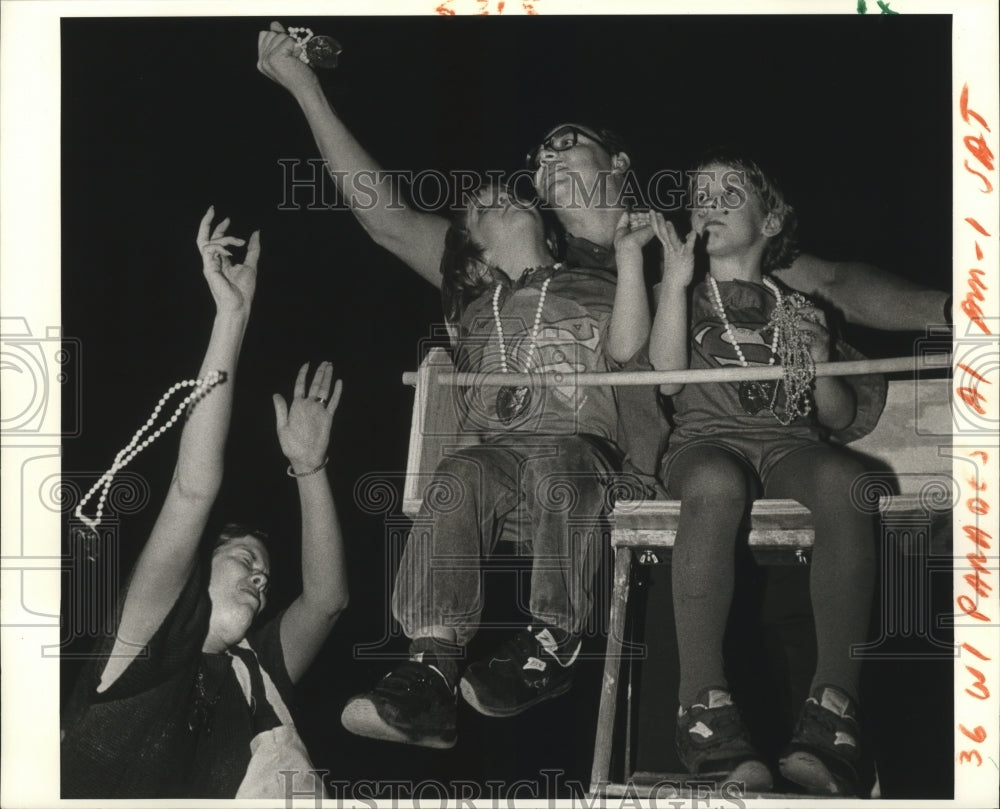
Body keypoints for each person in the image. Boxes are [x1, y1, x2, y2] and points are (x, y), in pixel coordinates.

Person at [338, 184, 647, 748]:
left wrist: (630, 263)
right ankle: (432, 669)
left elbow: (631, 350)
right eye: (483, 206)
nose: (503, 196)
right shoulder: (472, 309)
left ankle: (554, 641)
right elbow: (390, 223)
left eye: (511, 194)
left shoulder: (597, 283)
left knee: (558, 457)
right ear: (474, 253)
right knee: (458, 475)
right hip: (505, 468)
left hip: (582, 461)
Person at [61, 209, 349, 798]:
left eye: (264, 574)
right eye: (247, 560)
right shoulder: (147, 633)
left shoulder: (254, 675)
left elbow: (325, 601)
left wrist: (310, 467)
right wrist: (232, 317)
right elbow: (193, 490)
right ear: (198, 571)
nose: (262, 579)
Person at [625, 151, 876, 796]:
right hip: (707, 443)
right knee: (714, 485)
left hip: (790, 445)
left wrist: (820, 357)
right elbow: (670, 381)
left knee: (849, 481)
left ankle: (834, 714)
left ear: (772, 221)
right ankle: (702, 703)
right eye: (700, 192)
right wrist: (675, 285)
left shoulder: (796, 307)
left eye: (730, 192)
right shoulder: (677, 290)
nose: (709, 200)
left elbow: (838, 415)